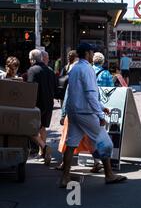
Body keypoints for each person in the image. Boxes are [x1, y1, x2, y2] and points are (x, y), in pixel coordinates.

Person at [60, 43, 126, 187]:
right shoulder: (86, 69)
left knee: (71, 144)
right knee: (105, 142)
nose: (92, 55)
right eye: (91, 52)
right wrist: (100, 114)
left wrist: (101, 107)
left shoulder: (74, 68)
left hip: (74, 112)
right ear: (88, 53)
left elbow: (77, 92)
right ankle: (109, 175)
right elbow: (90, 94)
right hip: (86, 112)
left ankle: (64, 178)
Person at [27, 49, 57, 165]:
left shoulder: (33, 70)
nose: (30, 61)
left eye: (30, 59)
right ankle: (43, 153)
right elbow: (55, 87)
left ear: (33, 59)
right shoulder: (49, 70)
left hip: (36, 104)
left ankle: (44, 147)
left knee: (29, 128)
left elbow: (30, 89)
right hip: (48, 104)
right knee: (43, 127)